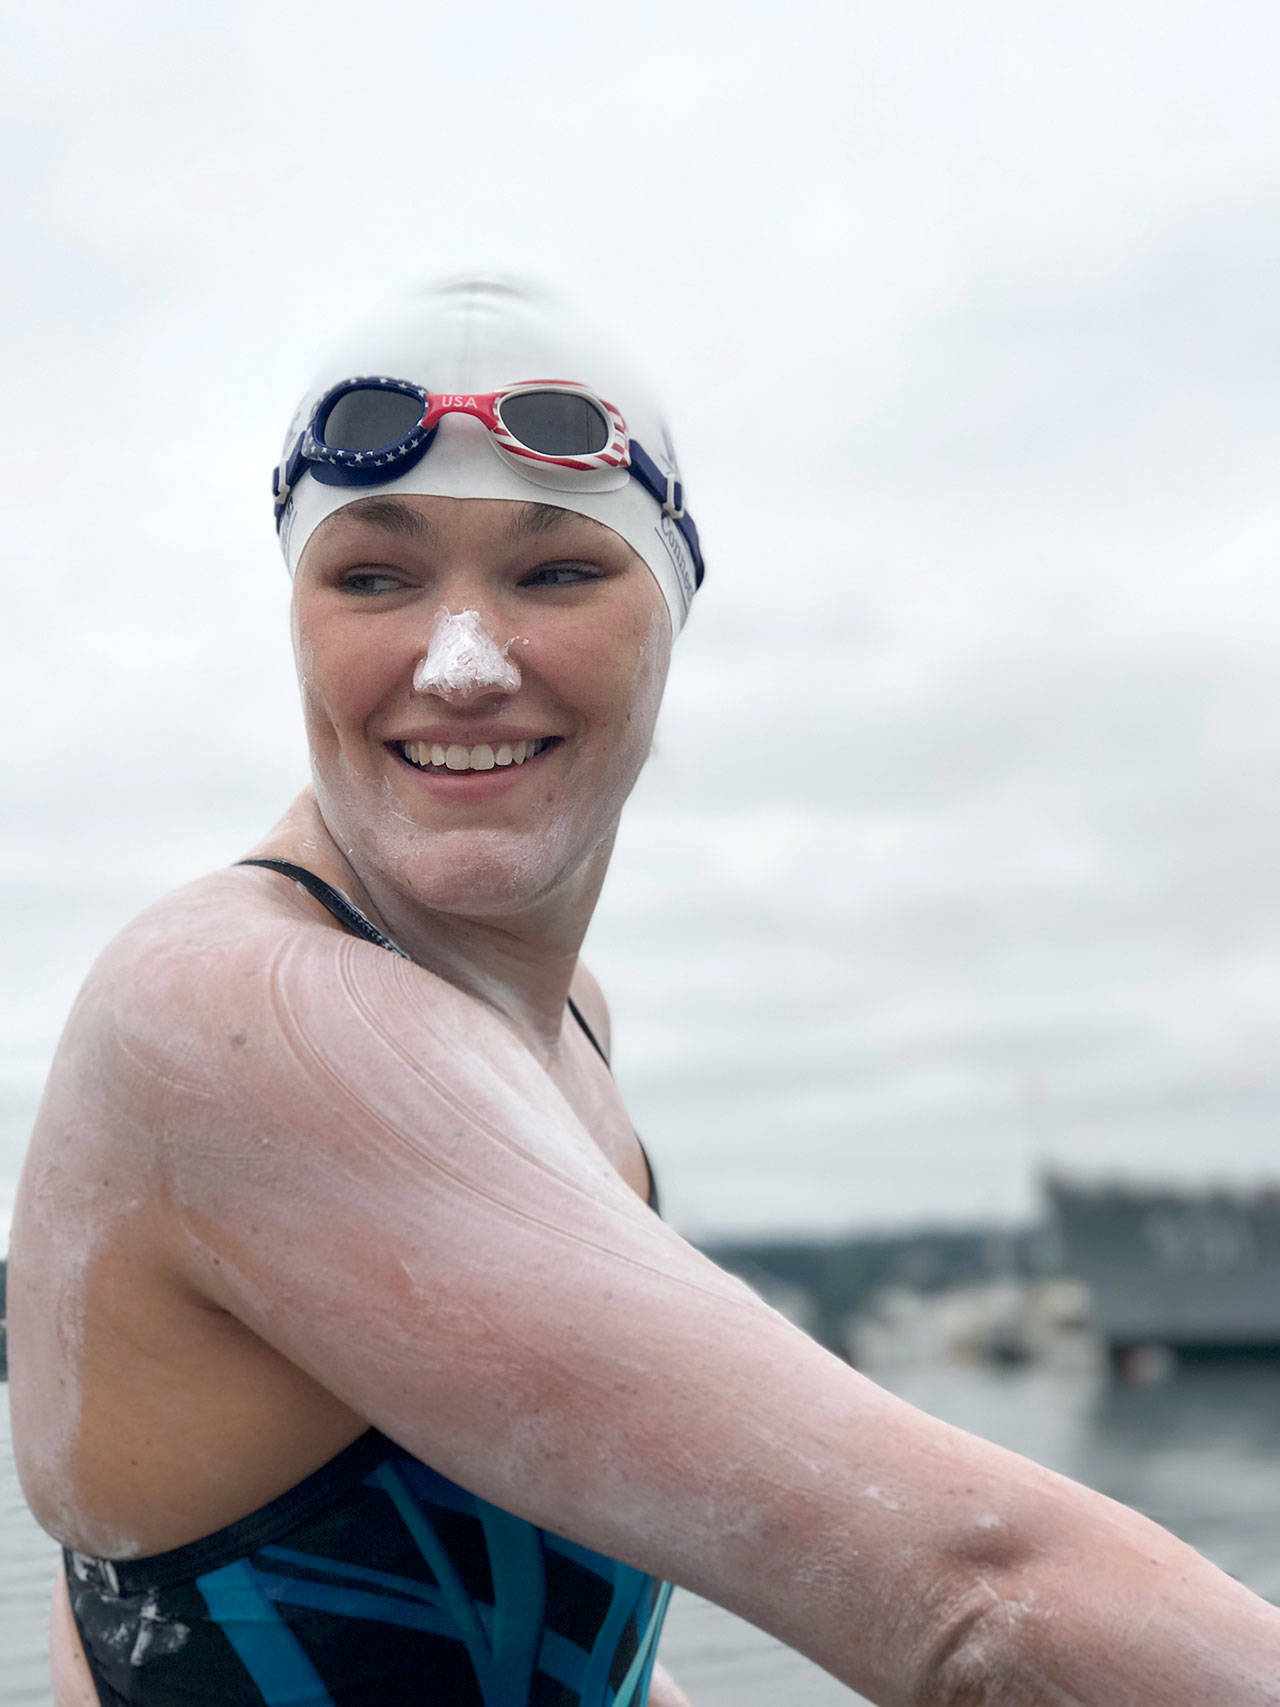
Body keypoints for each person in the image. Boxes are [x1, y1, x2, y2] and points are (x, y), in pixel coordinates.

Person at [8, 275, 1280, 1707]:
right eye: (372, 578)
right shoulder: (237, 1018)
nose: (462, 663)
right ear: (296, 617)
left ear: (672, 613)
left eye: (557, 573)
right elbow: (978, 1595)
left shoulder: (565, 1027)